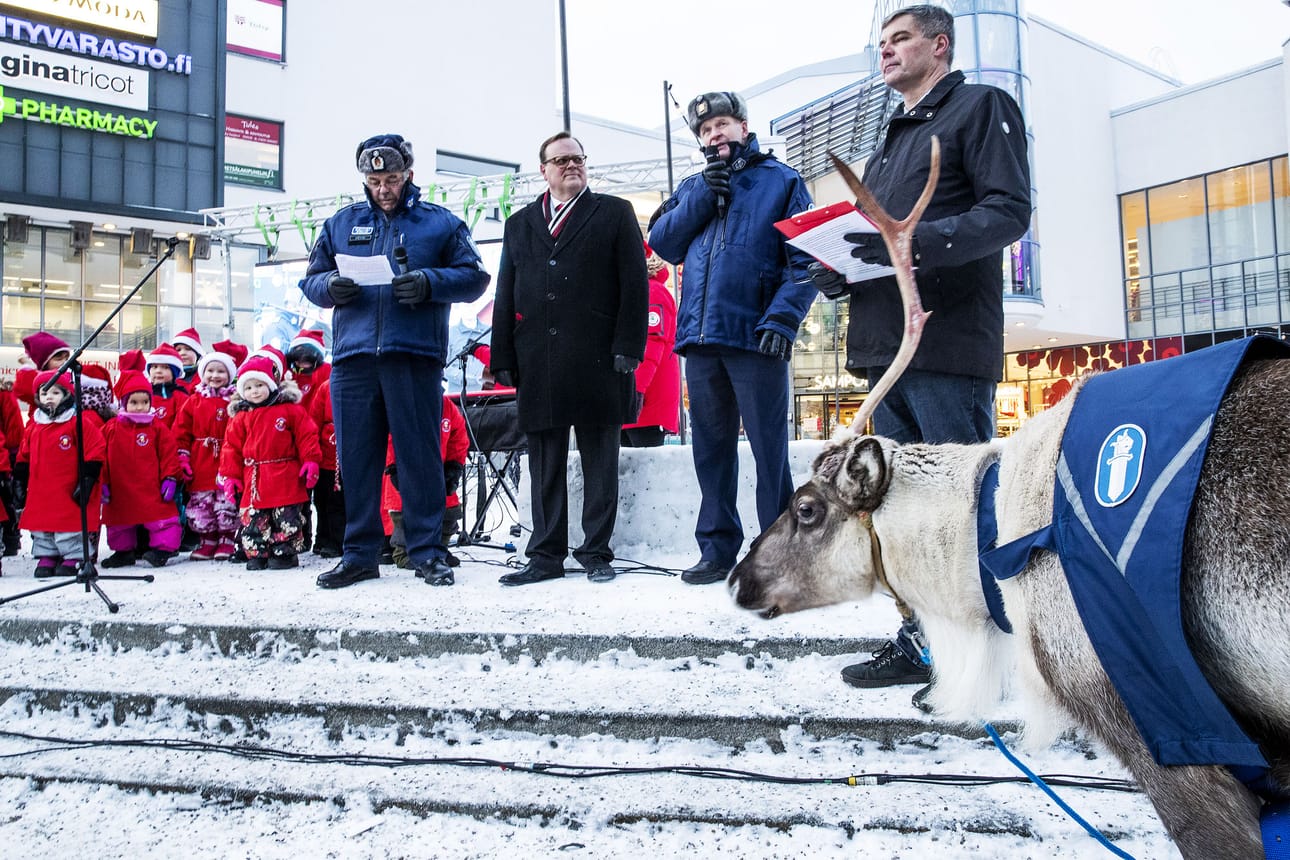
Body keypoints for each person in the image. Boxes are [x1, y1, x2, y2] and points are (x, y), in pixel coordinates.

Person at [809, 5, 1032, 700]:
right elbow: (878, 241)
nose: (886, 50)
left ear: (940, 45)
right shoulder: (890, 140)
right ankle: (925, 640)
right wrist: (838, 268)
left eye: (899, 37)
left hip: (946, 341)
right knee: (903, 514)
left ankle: (991, 659)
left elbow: (1008, 212)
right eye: (881, 41)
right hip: (886, 348)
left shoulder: (980, 107)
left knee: (960, 508)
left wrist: (913, 243)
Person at [300, 133, 490, 588]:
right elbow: (311, 280)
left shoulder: (440, 224)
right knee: (357, 461)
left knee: (420, 457)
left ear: (408, 174)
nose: (382, 188)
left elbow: (474, 277)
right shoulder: (341, 223)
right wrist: (331, 288)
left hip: (414, 357)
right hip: (353, 360)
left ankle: (427, 552)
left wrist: (428, 282)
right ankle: (360, 554)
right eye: (373, 179)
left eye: (391, 178)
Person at [649, 91, 816, 585]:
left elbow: (804, 263)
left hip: (755, 338)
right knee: (710, 449)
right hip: (700, 341)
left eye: (722, 124)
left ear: (743, 126)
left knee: (770, 453)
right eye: (705, 130)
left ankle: (780, 554)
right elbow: (663, 242)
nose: (714, 134)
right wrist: (703, 192)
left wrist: (782, 321)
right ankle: (717, 548)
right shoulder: (692, 186)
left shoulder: (782, 181)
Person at [489, 131, 648, 586]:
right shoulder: (520, 223)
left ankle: (596, 551)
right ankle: (545, 555)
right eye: (560, 160)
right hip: (538, 359)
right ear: (543, 169)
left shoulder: (615, 213)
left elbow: (635, 286)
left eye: (577, 158)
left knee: (601, 459)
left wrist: (628, 347)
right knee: (544, 460)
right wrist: (503, 352)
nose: (571, 165)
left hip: (600, 358)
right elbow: (506, 290)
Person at [217, 356, 322, 570]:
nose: (254, 391)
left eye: (259, 385)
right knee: (255, 518)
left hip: (284, 474)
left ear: (271, 385)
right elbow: (231, 448)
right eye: (248, 387)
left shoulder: (290, 410)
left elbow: (307, 434)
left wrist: (310, 460)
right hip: (254, 476)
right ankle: (257, 552)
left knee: (286, 517)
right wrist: (231, 477)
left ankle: (284, 552)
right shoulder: (241, 417)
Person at [16, 369, 106, 578]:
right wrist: (19, 480)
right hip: (41, 489)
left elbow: (95, 450)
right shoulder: (34, 426)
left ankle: (73, 557)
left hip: (69, 487)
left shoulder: (77, 423)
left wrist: (88, 478)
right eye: (44, 392)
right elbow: (24, 454)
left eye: (56, 393)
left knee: (69, 526)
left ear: (67, 396)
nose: (49, 397)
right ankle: (48, 555)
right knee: (42, 524)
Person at [99, 370, 182, 568]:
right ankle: (123, 551)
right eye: (134, 402)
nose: (140, 407)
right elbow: (99, 456)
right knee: (120, 520)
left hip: (151, 485)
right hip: (120, 487)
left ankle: (163, 549)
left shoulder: (157, 427)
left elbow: (169, 453)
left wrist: (170, 477)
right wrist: (103, 482)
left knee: (161, 517)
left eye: (145, 402)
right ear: (123, 403)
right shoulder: (111, 428)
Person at [172, 348, 241, 561]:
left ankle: (227, 539)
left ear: (229, 375)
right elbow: (181, 431)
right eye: (210, 370)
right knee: (201, 502)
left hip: (225, 458)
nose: (215, 376)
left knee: (225, 502)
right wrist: (182, 457)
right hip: (201, 458)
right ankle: (207, 539)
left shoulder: (235, 402)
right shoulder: (193, 401)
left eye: (221, 371)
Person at [621, 244, 680, 448]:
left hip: (645, 403)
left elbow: (651, 344)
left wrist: (635, 389)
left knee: (644, 469)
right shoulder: (639, 291)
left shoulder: (652, 291)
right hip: (635, 401)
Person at [146, 344, 189, 429]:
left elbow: (182, 426)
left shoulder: (181, 397)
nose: (158, 371)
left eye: (165, 367)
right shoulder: (143, 394)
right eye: (154, 367)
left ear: (174, 373)